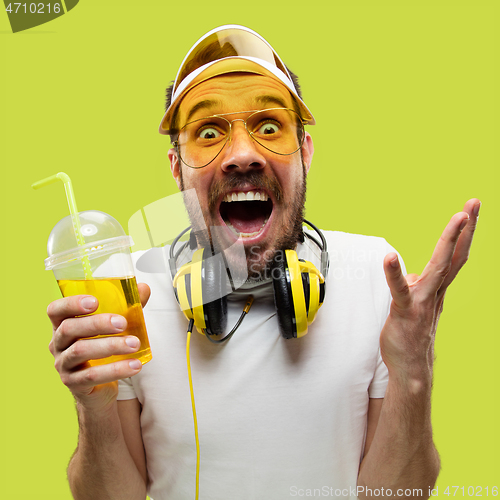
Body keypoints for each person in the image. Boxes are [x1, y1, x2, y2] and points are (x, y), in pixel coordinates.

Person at [46, 25, 480, 500]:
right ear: (176, 168)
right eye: (208, 132)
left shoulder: (377, 273)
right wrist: (95, 407)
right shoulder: (127, 294)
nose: (243, 154)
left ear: (305, 152)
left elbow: (399, 495)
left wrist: (413, 372)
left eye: (268, 127)